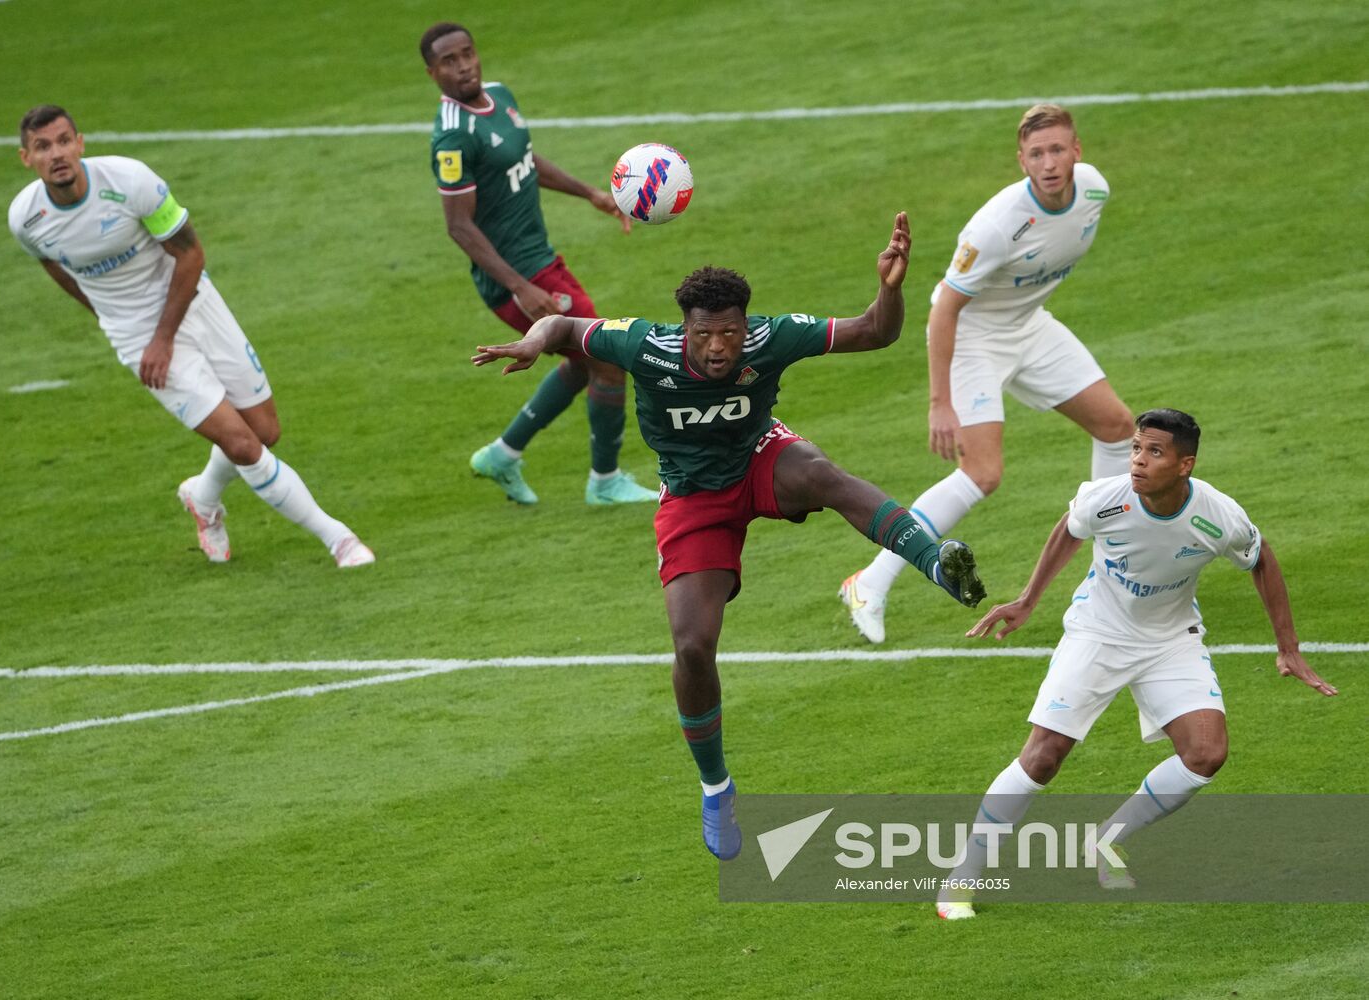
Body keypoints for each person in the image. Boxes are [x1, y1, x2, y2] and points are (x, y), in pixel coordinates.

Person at [474, 213, 987, 860]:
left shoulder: (771, 339)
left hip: (760, 459)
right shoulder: (645, 347)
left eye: (731, 333)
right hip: (694, 498)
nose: (719, 347)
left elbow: (875, 333)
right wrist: (532, 342)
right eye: (705, 334)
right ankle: (716, 787)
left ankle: (936, 564)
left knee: (824, 475)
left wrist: (889, 286)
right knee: (692, 646)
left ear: (747, 327)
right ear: (683, 330)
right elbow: (564, 326)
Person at [935, 408, 1338, 920]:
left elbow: (1260, 558)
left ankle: (1108, 840)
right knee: (1042, 757)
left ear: (1185, 464)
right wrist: (1028, 599)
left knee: (1206, 753)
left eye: (1154, 452)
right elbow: (1070, 528)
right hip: (1098, 633)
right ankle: (962, 878)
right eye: (1135, 449)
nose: (1138, 462)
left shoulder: (1218, 516)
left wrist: (1288, 647)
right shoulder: (1108, 498)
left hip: (1170, 640)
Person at [8, 106, 374, 568]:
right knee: (243, 446)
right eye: (43, 147)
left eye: (63, 141)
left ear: (81, 142)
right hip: (139, 338)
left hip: (194, 302)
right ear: (26, 158)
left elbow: (191, 255)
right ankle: (338, 539)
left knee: (264, 431)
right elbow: (52, 263)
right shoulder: (26, 219)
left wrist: (165, 336)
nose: (56, 154)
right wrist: (115, 319)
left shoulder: (131, 181)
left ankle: (202, 498)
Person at [841, 104, 1135, 643]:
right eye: (1037, 154)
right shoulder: (998, 226)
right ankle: (869, 582)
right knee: (983, 473)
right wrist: (939, 403)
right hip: (973, 337)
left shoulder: (1094, 191)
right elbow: (944, 310)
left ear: (1078, 151)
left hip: (1028, 327)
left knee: (1118, 428)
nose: (1049, 163)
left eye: (1058, 150)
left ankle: (1109, 570)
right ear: (1021, 161)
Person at [421, 21, 659, 506]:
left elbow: (524, 159)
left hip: (541, 261)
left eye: (467, 53)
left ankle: (503, 455)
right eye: (449, 60)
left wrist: (589, 192)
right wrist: (521, 288)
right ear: (432, 73)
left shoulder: (499, 96)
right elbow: (459, 226)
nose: (463, 64)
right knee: (607, 357)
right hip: (516, 276)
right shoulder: (452, 138)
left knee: (582, 357)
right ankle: (605, 482)